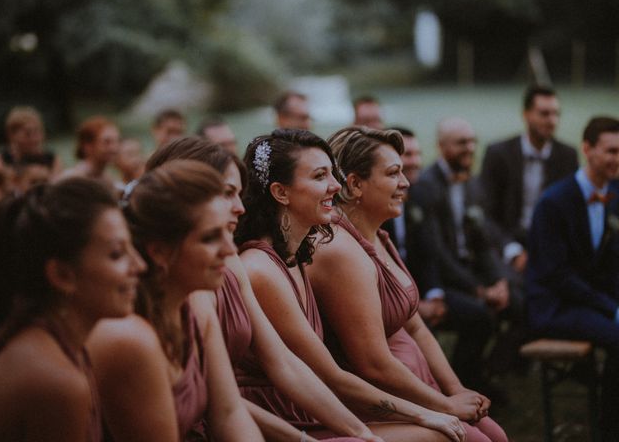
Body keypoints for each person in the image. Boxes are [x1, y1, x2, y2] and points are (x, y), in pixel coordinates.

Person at [148, 135, 463, 442]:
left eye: (238, 193)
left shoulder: (246, 263)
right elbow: (229, 402)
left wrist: (365, 430)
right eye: (226, 193)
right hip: (275, 417)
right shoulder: (255, 268)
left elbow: (283, 364)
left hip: (300, 413)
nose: (238, 206)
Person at [308, 126, 509, 442]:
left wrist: (455, 389)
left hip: (418, 386)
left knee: (494, 434)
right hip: (376, 402)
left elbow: (415, 328)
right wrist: (443, 404)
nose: (406, 182)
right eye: (393, 173)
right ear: (355, 184)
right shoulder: (339, 252)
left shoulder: (380, 237)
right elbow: (372, 364)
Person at [87, 160, 263, 442]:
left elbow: (230, 414)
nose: (230, 250)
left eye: (226, 233)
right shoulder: (128, 338)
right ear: (159, 251)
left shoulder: (193, 308)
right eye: (209, 238)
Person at [0, 177, 145, 441]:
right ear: (62, 275)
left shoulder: (56, 343)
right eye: (117, 254)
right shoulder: (57, 383)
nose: (139, 266)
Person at [410, 118, 525, 391]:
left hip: (470, 270)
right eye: (462, 143)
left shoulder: (472, 183)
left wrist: (498, 282)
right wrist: (477, 290)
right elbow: (434, 253)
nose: (470, 148)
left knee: (520, 301)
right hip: (440, 278)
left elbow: (482, 241)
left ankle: (491, 369)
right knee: (479, 316)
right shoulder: (425, 188)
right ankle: (462, 383)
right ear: (441, 146)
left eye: (473, 141)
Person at [526, 116, 619, 441]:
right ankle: (609, 429)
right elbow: (556, 275)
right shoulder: (554, 202)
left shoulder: (615, 192)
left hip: (591, 299)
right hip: (556, 305)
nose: (617, 159)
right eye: (611, 151)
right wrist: (612, 309)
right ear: (586, 149)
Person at [480, 86, 578, 273]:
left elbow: (571, 212)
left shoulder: (567, 155)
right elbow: (486, 213)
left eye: (556, 114)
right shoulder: (498, 154)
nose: (552, 121)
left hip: (553, 244)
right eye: (544, 114)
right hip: (509, 243)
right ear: (526, 114)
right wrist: (512, 250)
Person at [381, 128, 447, 328]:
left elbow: (429, 251)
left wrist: (434, 294)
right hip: (388, 298)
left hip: (418, 288)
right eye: (408, 155)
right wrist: (415, 305)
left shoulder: (422, 194)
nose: (416, 162)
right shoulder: (375, 202)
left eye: (418, 154)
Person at [0, 106, 62, 207]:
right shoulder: (3, 158)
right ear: (11, 135)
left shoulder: (51, 158)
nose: (34, 138)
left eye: (37, 132)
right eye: (27, 134)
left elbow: (58, 189)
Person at [60, 116, 121, 186]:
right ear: (87, 146)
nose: (115, 148)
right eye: (106, 142)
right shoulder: (72, 180)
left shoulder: (108, 181)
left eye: (117, 141)